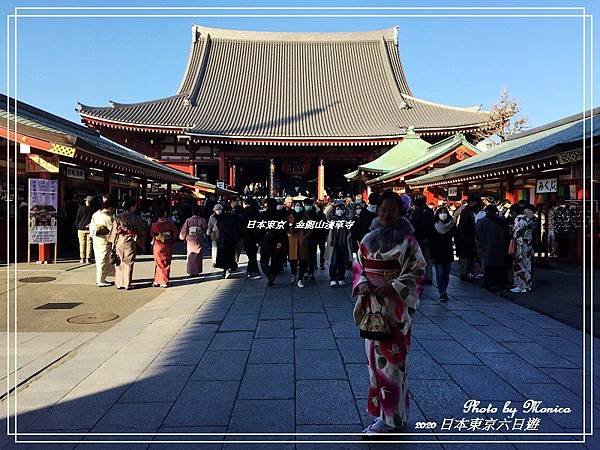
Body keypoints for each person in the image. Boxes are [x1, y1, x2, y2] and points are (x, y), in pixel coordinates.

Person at [352, 191, 426, 435]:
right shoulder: (368, 238)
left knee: (392, 365)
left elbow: (417, 272)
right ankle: (387, 413)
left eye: (391, 210)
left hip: (394, 311)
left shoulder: (409, 242)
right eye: (382, 209)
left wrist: (393, 286)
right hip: (372, 308)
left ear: (400, 212)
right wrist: (362, 281)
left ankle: (391, 419)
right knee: (374, 363)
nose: (385, 214)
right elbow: (359, 266)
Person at [108, 199, 146, 290]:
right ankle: (127, 283)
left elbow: (114, 232)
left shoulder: (118, 217)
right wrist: (142, 243)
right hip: (130, 241)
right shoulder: (136, 218)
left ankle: (119, 283)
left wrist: (112, 244)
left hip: (119, 241)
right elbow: (141, 231)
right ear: (132, 207)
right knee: (129, 262)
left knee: (119, 262)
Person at [476, 204, 509, 292]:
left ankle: (489, 283)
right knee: (500, 266)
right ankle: (500, 283)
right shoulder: (502, 220)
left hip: (487, 246)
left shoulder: (482, 221)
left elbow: (478, 234)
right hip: (501, 246)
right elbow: (507, 234)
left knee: (488, 266)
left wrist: (479, 245)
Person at [429, 206, 455, 301]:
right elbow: (431, 241)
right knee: (440, 273)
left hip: (448, 251)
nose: (443, 214)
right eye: (441, 212)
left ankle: (444, 289)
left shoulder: (451, 224)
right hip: (437, 252)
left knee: (446, 274)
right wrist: (431, 254)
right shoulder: (433, 225)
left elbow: (456, 236)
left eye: (445, 212)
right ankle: (442, 292)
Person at [259, 198, 286, 287]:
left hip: (267, 240)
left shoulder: (264, 214)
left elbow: (259, 228)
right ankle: (272, 276)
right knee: (274, 261)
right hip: (274, 240)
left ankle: (270, 276)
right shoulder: (278, 215)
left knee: (264, 261)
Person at [325, 203, 353, 287]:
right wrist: (333, 206)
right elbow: (327, 215)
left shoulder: (346, 219)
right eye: (337, 209)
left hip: (344, 244)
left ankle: (341, 277)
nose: (339, 211)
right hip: (334, 244)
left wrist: (348, 206)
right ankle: (332, 279)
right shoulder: (332, 219)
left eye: (341, 209)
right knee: (333, 262)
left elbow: (352, 214)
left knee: (342, 262)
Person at [89, 199, 115, 287]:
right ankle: (101, 280)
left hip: (96, 239)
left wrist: (93, 235)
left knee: (99, 259)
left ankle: (101, 278)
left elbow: (91, 228)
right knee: (103, 260)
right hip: (104, 240)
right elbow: (112, 231)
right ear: (110, 208)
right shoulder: (108, 218)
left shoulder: (95, 214)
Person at [150, 208, 179, 287]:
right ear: (165, 214)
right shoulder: (170, 224)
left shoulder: (154, 225)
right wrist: (172, 240)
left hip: (158, 245)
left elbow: (152, 234)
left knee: (158, 262)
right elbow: (175, 233)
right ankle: (164, 281)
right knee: (166, 262)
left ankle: (157, 280)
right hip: (167, 244)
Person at [511, 204, 537, 293]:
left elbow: (516, 232)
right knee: (527, 265)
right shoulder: (534, 219)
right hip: (528, 243)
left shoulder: (519, 218)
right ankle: (528, 284)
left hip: (520, 244)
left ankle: (520, 285)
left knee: (518, 264)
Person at [456, 194, 480, 282]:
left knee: (468, 258)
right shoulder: (466, 212)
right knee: (466, 258)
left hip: (468, 239)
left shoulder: (468, 211)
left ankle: (467, 274)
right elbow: (463, 227)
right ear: (471, 202)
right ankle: (464, 275)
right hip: (466, 239)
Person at [410, 197, 434, 284]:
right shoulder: (430, 211)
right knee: (427, 258)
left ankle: (419, 276)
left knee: (418, 258)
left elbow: (413, 226)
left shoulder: (416, 212)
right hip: (428, 239)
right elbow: (432, 226)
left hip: (418, 238)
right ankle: (429, 276)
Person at [179, 206, 208, 277]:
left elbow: (184, 230)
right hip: (199, 239)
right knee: (198, 255)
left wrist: (182, 237)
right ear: (199, 213)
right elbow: (205, 230)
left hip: (190, 239)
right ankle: (197, 271)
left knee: (191, 255)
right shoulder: (202, 220)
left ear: (192, 213)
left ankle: (192, 272)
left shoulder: (188, 221)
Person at [287, 202, 309, 288]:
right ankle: (293, 274)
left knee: (303, 260)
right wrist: (289, 232)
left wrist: (305, 236)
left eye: (300, 206)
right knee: (293, 260)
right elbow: (287, 227)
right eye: (296, 206)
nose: (298, 207)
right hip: (293, 240)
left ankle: (300, 278)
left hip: (302, 240)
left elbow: (310, 228)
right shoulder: (291, 215)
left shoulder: (305, 216)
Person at [215, 207, 240, 278]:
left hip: (222, 240)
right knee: (230, 256)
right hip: (230, 240)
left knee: (223, 256)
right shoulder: (232, 219)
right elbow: (235, 230)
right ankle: (227, 269)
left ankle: (225, 270)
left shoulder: (220, 219)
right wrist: (236, 239)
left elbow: (218, 228)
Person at [242, 198, 261, 279]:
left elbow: (241, 226)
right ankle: (251, 271)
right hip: (255, 237)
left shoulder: (244, 213)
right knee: (253, 255)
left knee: (251, 255)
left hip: (247, 237)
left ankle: (253, 272)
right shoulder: (257, 213)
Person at [75, 195, 95, 264]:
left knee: (82, 244)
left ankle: (82, 258)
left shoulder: (81, 208)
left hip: (81, 228)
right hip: (89, 228)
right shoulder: (93, 209)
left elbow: (78, 218)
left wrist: (77, 225)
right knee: (89, 243)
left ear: (86, 201)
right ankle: (88, 258)